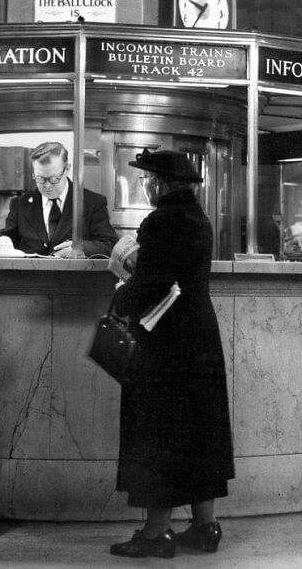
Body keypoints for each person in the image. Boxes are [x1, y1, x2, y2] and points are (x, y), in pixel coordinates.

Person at [108, 148, 234, 559]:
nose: (145, 186)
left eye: (147, 180)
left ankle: (156, 532)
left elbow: (152, 283)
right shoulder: (200, 220)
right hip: (200, 336)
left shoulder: (161, 221)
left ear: (159, 184)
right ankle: (204, 526)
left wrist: (121, 294)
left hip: (164, 343)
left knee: (156, 432)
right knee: (199, 431)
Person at [0, 141, 118, 258]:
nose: (47, 186)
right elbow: (8, 239)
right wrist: (3, 242)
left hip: (74, 279)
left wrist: (82, 248)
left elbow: (110, 245)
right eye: (40, 179)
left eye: (54, 179)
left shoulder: (92, 202)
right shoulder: (20, 204)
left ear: (67, 169)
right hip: (31, 279)